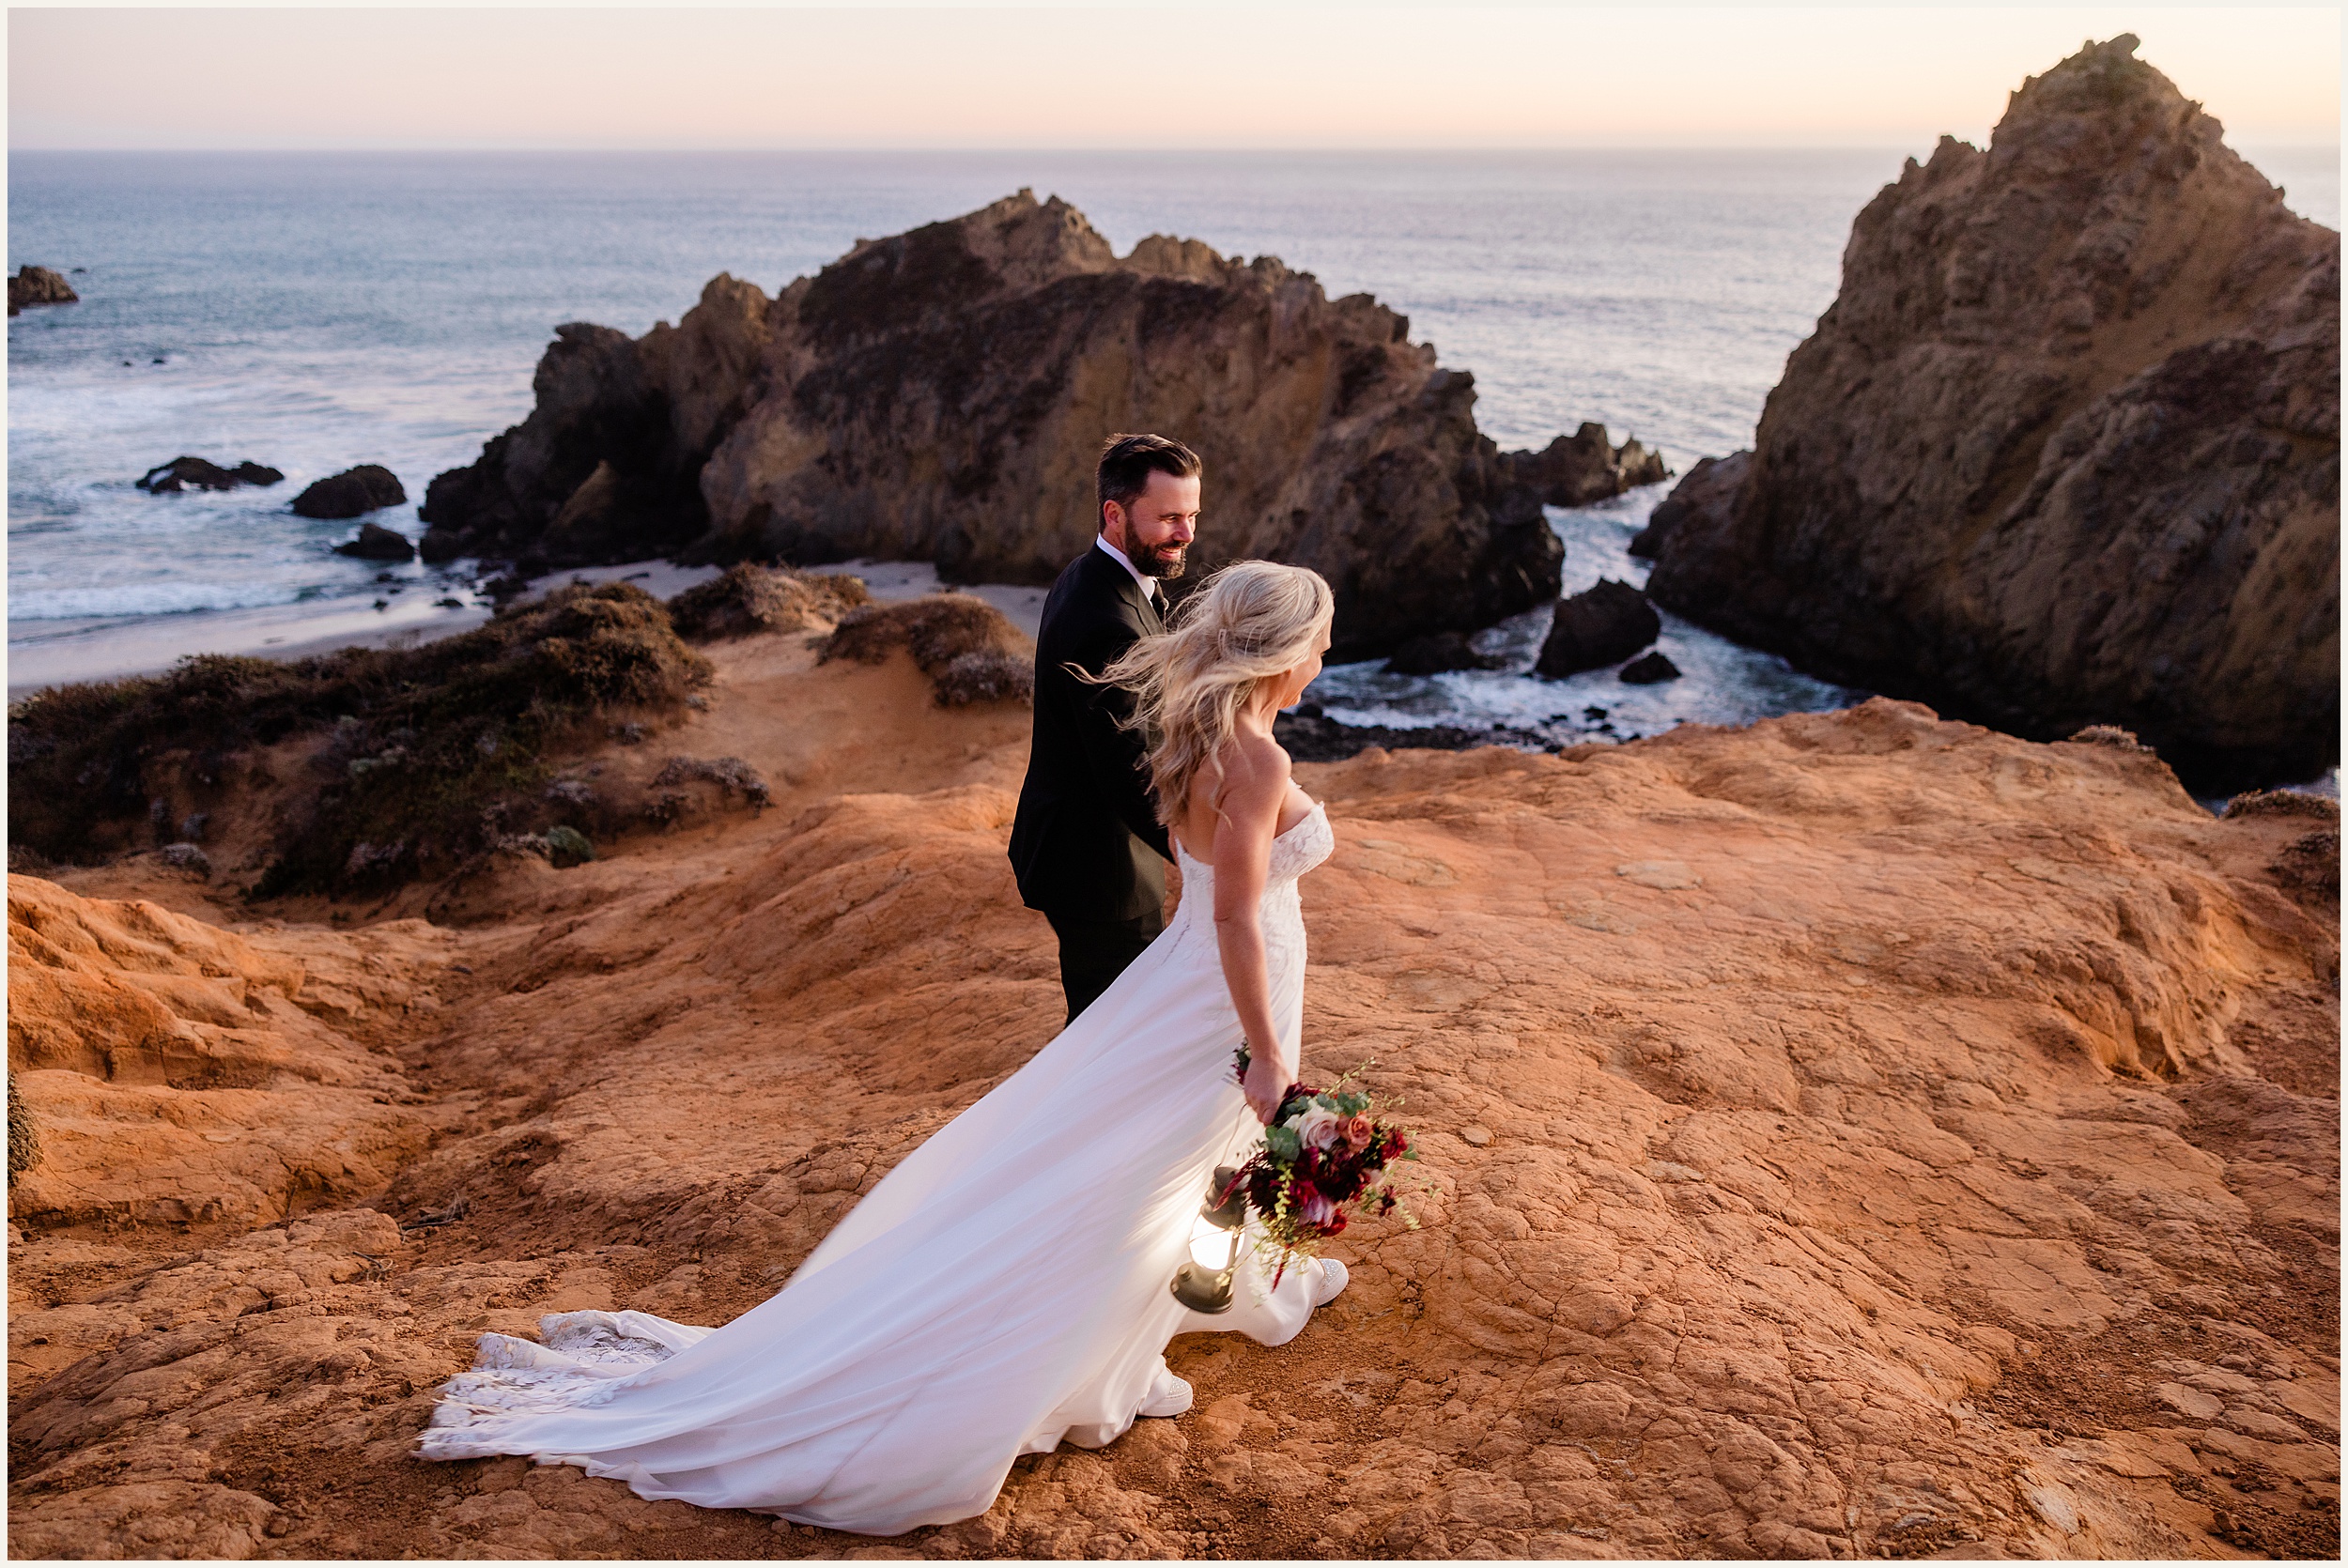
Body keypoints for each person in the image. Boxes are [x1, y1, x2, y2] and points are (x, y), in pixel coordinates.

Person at [415, 561, 1348, 1538]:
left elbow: (1192, 891)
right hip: (1219, 987)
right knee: (1141, 1171)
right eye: (1320, 639)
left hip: (1184, 975)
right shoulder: (1257, 760)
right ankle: (1068, 1352)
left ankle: (1168, 1308)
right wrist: (1265, 1050)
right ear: (1283, 651)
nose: (1326, 655)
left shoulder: (1197, 733)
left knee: (1157, 1159)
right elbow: (1239, 915)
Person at [1009, 432, 1200, 1021]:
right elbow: (1126, 762)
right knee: (1110, 1033)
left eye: (1192, 515)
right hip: (1099, 867)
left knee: (1109, 1029)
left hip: (1087, 852)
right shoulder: (1106, 618)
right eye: (1169, 517)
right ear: (1114, 514)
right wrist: (1196, 854)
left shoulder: (1095, 576)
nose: (1187, 534)